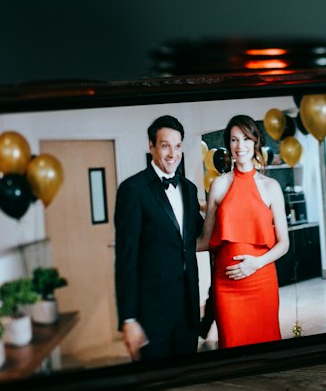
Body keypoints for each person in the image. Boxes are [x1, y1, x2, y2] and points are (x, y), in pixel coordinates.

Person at [114, 114, 202, 361]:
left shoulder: (189, 188)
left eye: (177, 146)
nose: (172, 154)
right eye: (165, 146)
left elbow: (196, 235)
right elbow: (125, 259)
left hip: (187, 312)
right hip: (151, 316)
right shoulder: (133, 190)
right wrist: (129, 319)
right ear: (151, 146)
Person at [198, 114, 289, 349]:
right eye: (234, 140)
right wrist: (168, 243)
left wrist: (255, 264)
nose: (240, 146)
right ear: (229, 144)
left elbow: (284, 243)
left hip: (262, 281)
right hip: (226, 286)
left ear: (255, 142)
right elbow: (206, 240)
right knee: (232, 348)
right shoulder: (219, 184)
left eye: (246, 139)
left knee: (266, 349)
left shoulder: (272, 187)